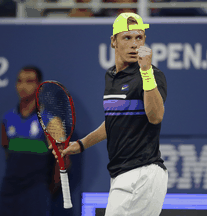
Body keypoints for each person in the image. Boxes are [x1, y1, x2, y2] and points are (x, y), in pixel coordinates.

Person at [51, 12, 168, 216]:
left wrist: (146, 72)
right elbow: (114, 120)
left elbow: (155, 116)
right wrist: (81, 144)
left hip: (140, 174)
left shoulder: (152, 75)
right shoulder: (111, 76)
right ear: (113, 41)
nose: (134, 44)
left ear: (145, 41)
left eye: (138, 37)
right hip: (122, 175)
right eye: (127, 38)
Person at [0, 66, 66, 216]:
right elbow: (8, 151)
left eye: (29, 81)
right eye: (19, 81)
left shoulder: (51, 122)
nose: (23, 86)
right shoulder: (7, 118)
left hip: (36, 191)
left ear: (39, 85)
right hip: (9, 190)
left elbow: (63, 161)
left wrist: (49, 189)